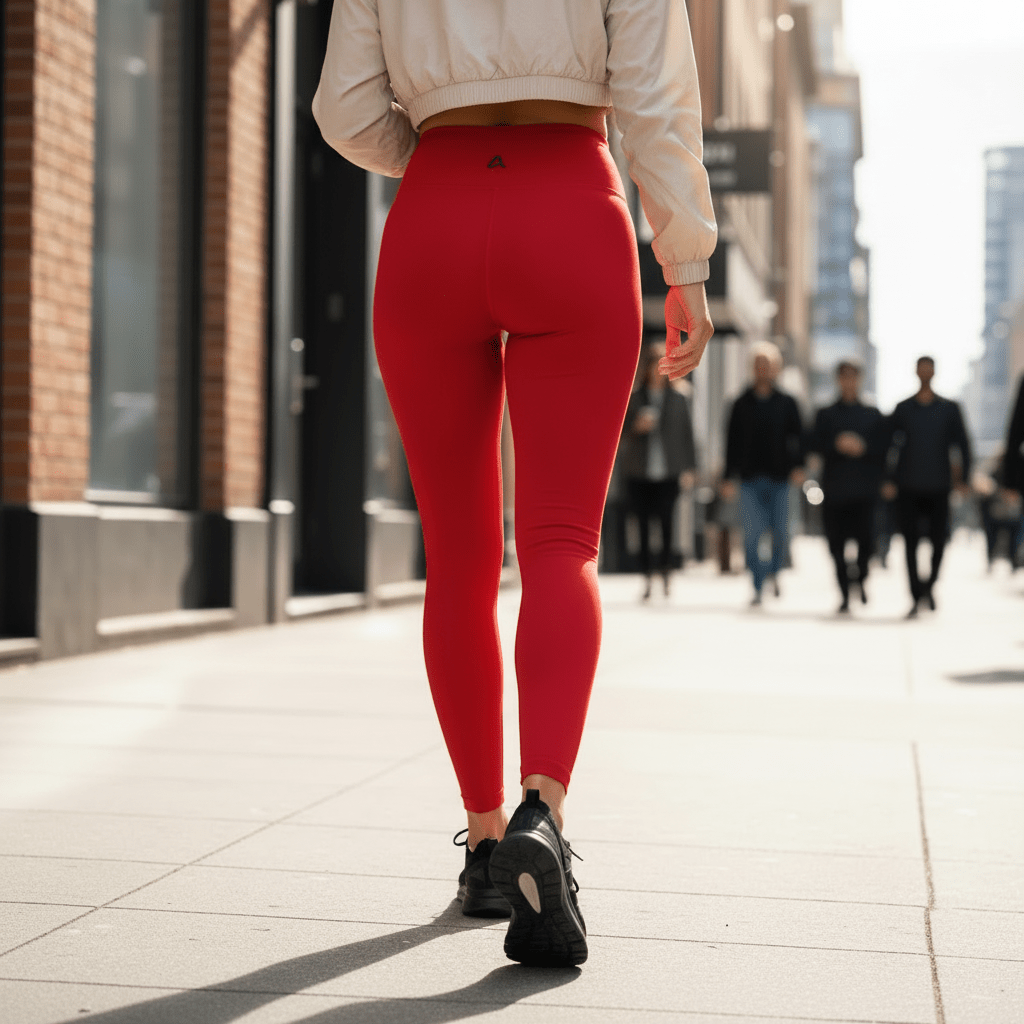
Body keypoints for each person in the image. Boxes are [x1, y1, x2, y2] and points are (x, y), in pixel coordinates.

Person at [313, 1, 716, 967]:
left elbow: (343, 108)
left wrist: (437, 151)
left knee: (457, 552)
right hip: (571, 205)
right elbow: (658, 101)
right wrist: (686, 260)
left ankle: (488, 839)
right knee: (561, 542)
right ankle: (546, 810)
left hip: (436, 212)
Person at [884, 356, 972, 617]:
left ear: (934, 372)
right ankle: (915, 595)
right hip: (908, 485)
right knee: (909, 543)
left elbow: (963, 446)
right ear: (915, 372)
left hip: (939, 486)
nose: (924, 372)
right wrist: (888, 479)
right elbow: (888, 446)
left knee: (938, 541)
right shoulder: (903, 409)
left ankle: (929, 586)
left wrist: (964, 479)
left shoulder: (949, 408)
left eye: (928, 368)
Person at [721, 343, 804, 605]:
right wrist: (727, 477)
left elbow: (798, 438)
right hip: (748, 480)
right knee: (752, 536)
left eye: (767, 365)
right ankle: (757, 585)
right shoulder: (740, 403)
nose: (762, 369)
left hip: (781, 479)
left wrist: (799, 466)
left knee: (781, 533)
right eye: (758, 365)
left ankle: (774, 572)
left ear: (775, 369)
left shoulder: (788, 403)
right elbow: (731, 442)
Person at [620, 340, 697, 599]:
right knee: (641, 525)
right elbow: (619, 434)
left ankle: (665, 572)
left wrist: (690, 468)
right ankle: (646, 576)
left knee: (666, 524)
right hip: (639, 472)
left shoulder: (680, 397)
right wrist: (635, 428)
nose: (659, 370)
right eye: (655, 365)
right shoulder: (633, 397)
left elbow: (688, 435)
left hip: (669, 472)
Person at [807, 361, 884, 613]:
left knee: (866, 544)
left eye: (853, 377)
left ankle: (859, 579)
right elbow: (813, 445)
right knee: (836, 546)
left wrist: (863, 447)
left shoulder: (873, 415)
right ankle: (843, 593)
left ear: (859, 379)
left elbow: (883, 450)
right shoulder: (825, 414)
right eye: (844, 377)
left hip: (865, 492)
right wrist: (837, 444)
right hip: (835, 491)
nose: (848, 382)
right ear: (838, 380)